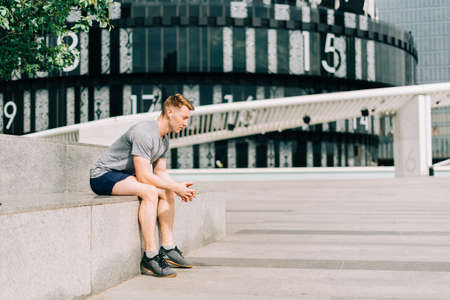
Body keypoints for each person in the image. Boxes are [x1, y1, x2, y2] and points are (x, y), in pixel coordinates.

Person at [89, 94, 196, 278]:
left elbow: (160, 172)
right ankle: (150, 256)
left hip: (124, 176)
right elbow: (145, 176)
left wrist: (176, 187)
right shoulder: (145, 132)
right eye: (184, 117)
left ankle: (168, 248)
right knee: (150, 191)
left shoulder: (164, 139)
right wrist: (175, 187)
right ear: (170, 113)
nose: (186, 123)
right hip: (103, 175)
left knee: (167, 190)